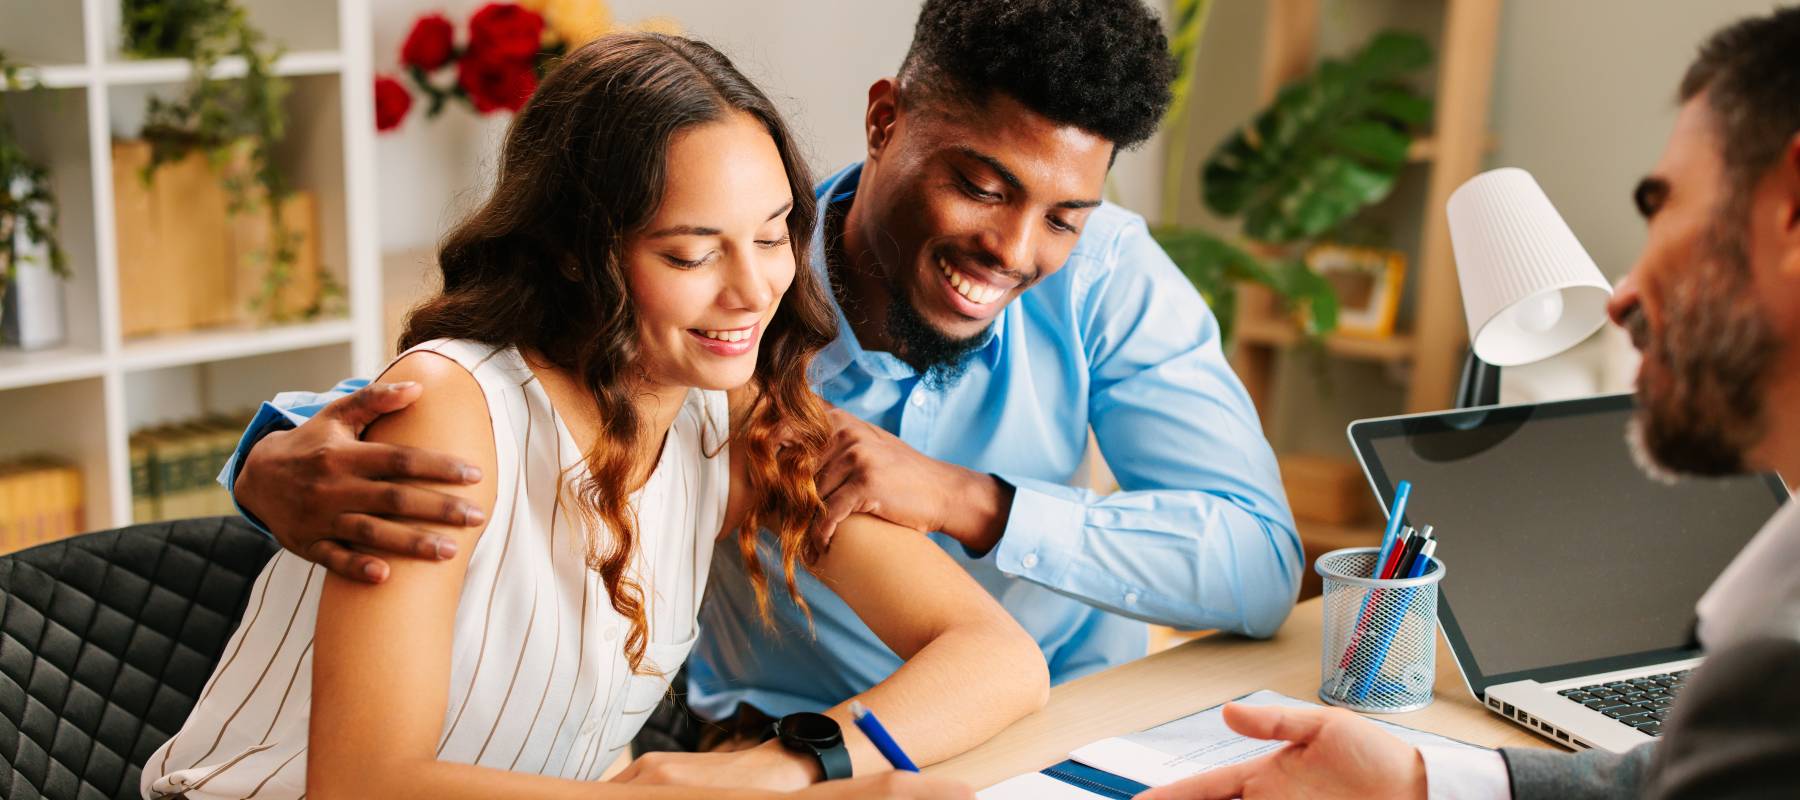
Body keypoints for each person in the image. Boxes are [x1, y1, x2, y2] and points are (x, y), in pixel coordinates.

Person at [223, 0, 1301, 760]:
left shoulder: (733, 387)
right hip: (771, 732)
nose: (1017, 248)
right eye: (981, 186)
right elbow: (463, 401)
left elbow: (1249, 568)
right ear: (885, 122)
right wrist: (261, 455)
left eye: (1065, 213)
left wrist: (969, 503)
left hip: (1015, 728)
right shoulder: (710, 360)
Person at [141, 33, 1045, 800]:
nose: (753, 290)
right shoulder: (453, 414)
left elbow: (997, 658)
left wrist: (786, 767)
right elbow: (367, 782)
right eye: (691, 253)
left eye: (773, 235)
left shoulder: (729, 413)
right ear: (579, 254)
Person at [1137, 7, 1800, 800]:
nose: (1625, 295)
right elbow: (1668, 780)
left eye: (1662, 209)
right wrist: (1417, 779)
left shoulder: (1775, 663)